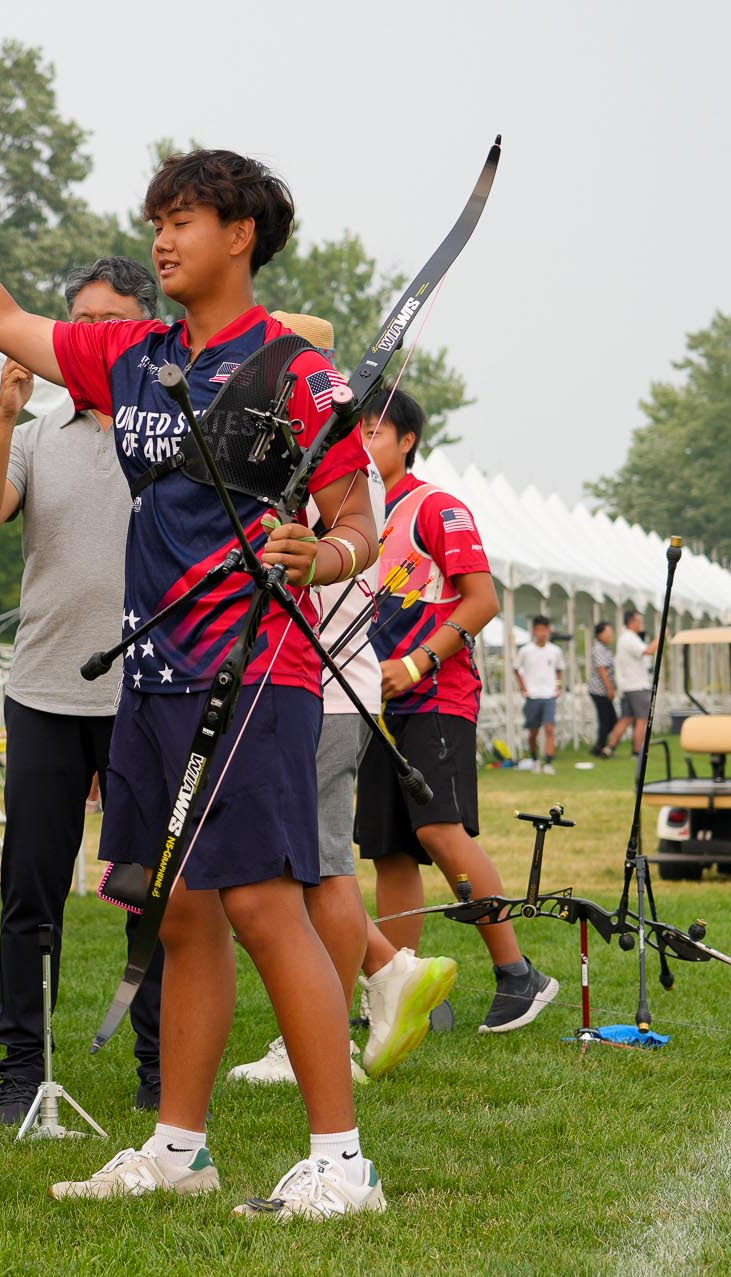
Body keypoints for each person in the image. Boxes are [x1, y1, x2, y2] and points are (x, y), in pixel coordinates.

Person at [0, 135, 388, 1220]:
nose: (159, 239)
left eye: (181, 221)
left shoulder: (295, 373)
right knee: (185, 912)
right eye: (156, 220)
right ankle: (176, 1147)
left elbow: (358, 522)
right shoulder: (133, 357)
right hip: (151, 675)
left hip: (255, 672)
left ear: (237, 235)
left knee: (260, 903)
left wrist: (321, 554)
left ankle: (341, 1161)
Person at [0, 255, 167, 1123]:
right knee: (30, 891)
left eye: (111, 321)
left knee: (150, 893)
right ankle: (22, 1070)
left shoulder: (169, 432)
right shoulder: (40, 432)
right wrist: (3, 418)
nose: (90, 338)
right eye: (79, 321)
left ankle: (162, 1067)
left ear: (147, 333)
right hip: (44, 688)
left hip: (147, 696)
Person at [228, 317, 456, 1091]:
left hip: (320, 686)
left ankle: (320, 1034)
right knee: (312, 862)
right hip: (322, 684)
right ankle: (385, 975)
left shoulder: (319, 450)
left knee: (315, 867)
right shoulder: (329, 450)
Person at [352, 387, 558, 1035]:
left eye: (375, 432)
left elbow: (482, 600)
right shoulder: (351, 519)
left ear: (407, 439)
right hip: (376, 706)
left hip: (436, 697)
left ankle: (519, 974)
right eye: (353, 433)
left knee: (440, 830)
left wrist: (415, 664)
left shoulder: (435, 506)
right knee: (389, 850)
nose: (361, 444)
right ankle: (405, 990)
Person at [515, 615, 564, 772]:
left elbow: (560, 669)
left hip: (549, 695)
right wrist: (523, 688)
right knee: (533, 732)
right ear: (535, 631)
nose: (542, 633)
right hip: (533, 695)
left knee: (550, 728)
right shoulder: (526, 651)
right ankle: (535, 759)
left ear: (549, 631)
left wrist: (558, 686)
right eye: (539, 629)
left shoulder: (555, 651)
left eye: (545, 629)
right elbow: (517, 669)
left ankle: (548, 762)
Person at [603, 610, 653, 758]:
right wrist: (661, 637)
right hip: (637, 685)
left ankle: (610, 747)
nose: (641, 625)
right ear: (632, 622)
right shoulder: (629, 638)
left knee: (626, 718)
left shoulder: (624, 638)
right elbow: (648, 651)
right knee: (642, 719)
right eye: (639, 621)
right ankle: (637, 751)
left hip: (627, 685)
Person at [587, 621, 618, 756]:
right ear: (600, 635)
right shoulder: (599, 649)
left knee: (611, 720)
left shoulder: (606, 648)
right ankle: (600, 748)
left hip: (603, 690)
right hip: (599, 691)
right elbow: (602, 671)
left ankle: (601, 746)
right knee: (606, 720)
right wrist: (610, 689)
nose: (611, 634)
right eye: (608, 632)